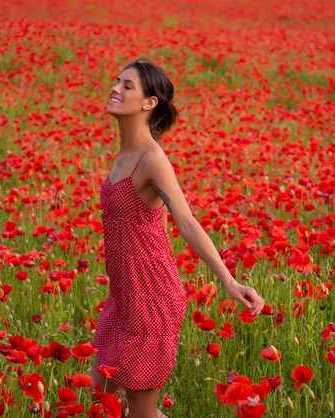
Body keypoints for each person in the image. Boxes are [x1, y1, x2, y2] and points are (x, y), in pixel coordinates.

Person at [90, 58, 265, 418]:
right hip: (122, 297)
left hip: (151, 299)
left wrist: (229, 282)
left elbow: (186, 222)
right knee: (104, 398)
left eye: (127, 86)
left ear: (148, 103)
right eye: (116, 81)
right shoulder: (124, 154)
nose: (115, 88)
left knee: (141, 411)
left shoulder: (152, 159)